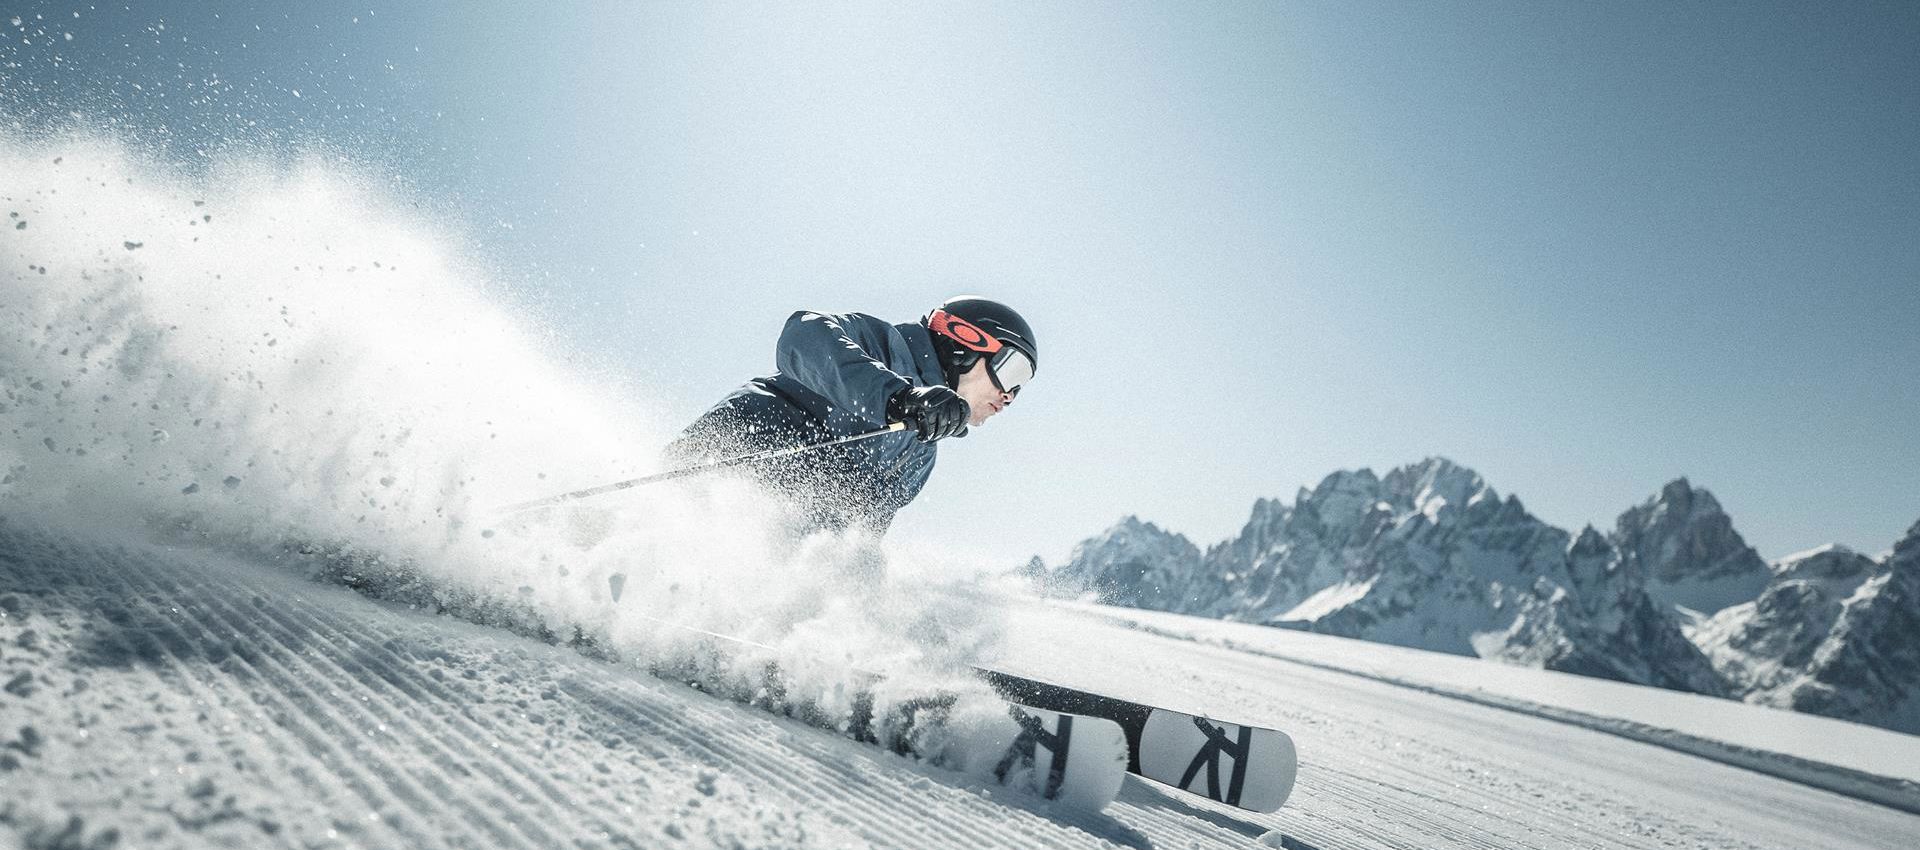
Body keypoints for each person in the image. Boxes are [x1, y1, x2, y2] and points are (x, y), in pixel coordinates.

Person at [664, 296, 1037, 539]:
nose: (1009, 396)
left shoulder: (921, 454)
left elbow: (860, 534)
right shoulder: (882, 345)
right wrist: (899, 398)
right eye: (1013, 371)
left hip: (777, 532)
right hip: (735, 452)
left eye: (1021, 387)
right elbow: (802, 337)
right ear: (963, 341)